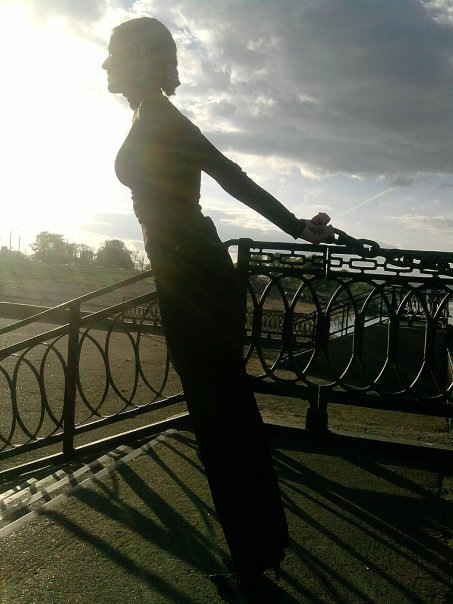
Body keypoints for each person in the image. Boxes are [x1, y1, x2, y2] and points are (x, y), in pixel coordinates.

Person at [102, 17, 333, 587]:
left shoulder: (163, 119)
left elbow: (233, 178)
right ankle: (259, 548)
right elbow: (225, 179)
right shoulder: (150, 116)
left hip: (196, 277)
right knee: (223, 416)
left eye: (116, 54)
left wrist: (297, 226)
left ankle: (254, 553)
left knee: (222, 419)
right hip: (187, 273)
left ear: (145, 62)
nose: (106, 64)